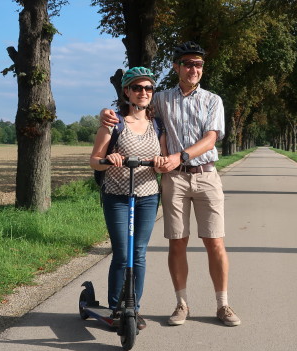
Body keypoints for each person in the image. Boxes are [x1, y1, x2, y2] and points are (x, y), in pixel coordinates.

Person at [101, 41, 241, 327]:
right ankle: (181, 304)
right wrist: (105, 113)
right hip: (173, 179)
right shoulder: (161, 99)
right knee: (177, 242)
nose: (193, 69)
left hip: (206, 175)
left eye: (198, 64)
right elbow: (132, 109)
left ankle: (223, 304)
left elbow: (212, 138)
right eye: (188, 64)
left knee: (215, 241)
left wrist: (181, 155)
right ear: (176, 67)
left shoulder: (213, 100)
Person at [90, 66, 165, 330]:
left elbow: (164, 161)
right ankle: (115, 308)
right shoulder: (114, 123)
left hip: (147, 197)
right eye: (137, 88)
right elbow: (94, 161)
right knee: (122, 254)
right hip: (118, 197)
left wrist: (160, 163)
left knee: (140, 254)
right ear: (127, 92)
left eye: (148, 88)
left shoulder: (157, 124)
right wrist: (108, 159)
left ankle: (133, 307)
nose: (143, 92)